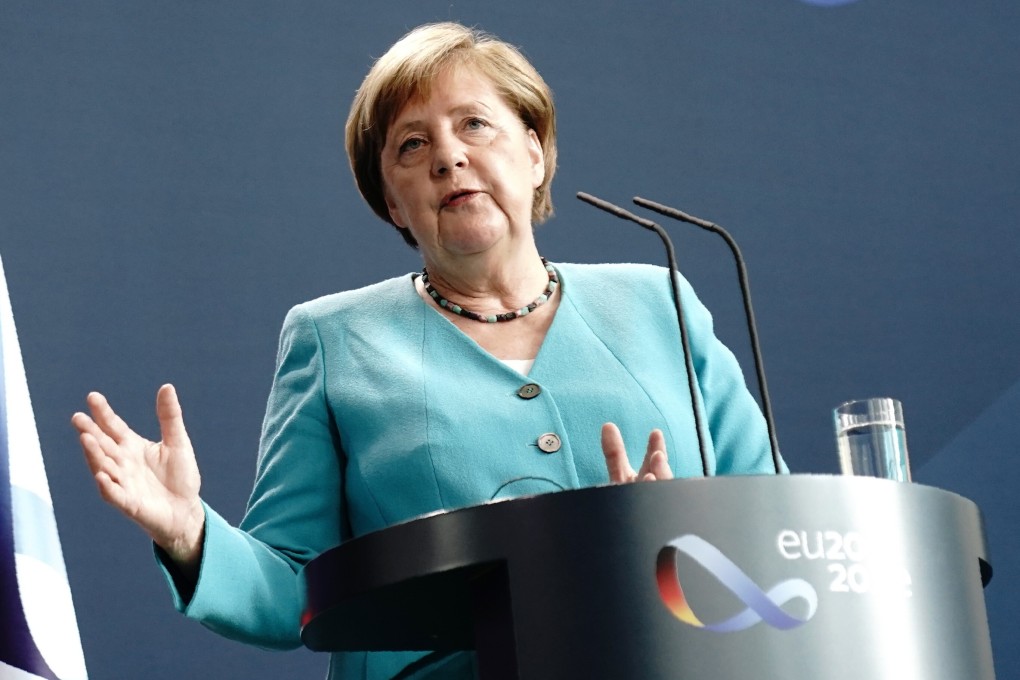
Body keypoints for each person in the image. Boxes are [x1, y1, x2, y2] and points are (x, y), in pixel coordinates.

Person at [71, 22, 781, 679]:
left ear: (534, 153)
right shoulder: (332, 339)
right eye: (412, 145)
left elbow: (779, 523)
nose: (449, 155)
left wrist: (671, 531)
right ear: (391, 200)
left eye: (475, 123)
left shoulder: (660, 301)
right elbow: (294, 588)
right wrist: (189, 532)